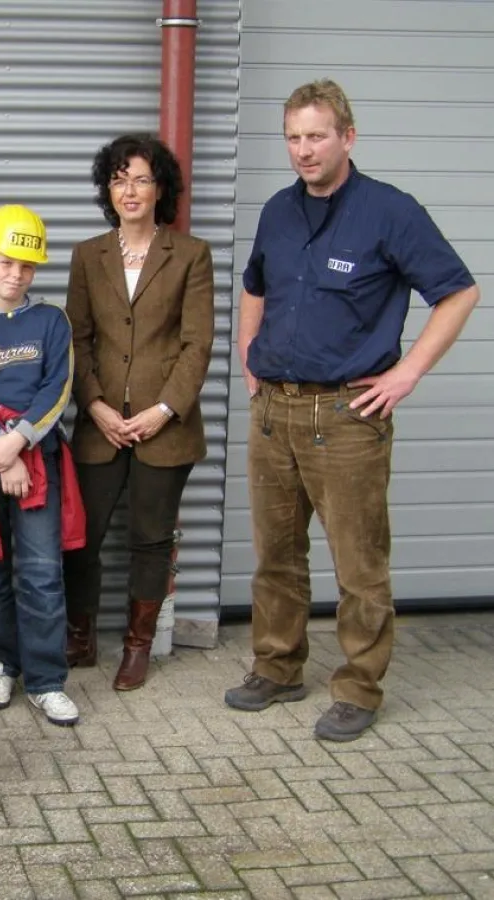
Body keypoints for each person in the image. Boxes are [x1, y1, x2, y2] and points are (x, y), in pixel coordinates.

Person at [227, 79, 479, 742]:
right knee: (275, 555)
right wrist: (246, 352)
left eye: (316, 136)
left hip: (345, 418)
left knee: (359, 565)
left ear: (347, 136)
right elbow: (255, 285)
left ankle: (359, 687)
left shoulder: (391, 213)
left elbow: (458, 292)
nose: (304, 150)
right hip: (274, 413)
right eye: (293, 138)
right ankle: (277, 668)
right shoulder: (278, 213)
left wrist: (407, 373)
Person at [62, 134, 214, 688]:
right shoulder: (88, 255)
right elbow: (75, 339)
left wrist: (165, 410)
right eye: (120, 178)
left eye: (142, 179)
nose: (130, 189)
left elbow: (198, 344)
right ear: (109, 188)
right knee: (80, 536)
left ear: (160, 188)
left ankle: (136, 645)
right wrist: (95, 404)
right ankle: (79, 640)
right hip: (100, 425)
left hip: (164, 429)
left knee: (150, 539)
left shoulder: (191, 254)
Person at [0, 204, 84, 727]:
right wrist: (0, 452)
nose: (16, 274)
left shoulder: (52, 320)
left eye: (27, 266)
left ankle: (47, 680)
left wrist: (21, 442)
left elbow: (58, 387)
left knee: (43, 572)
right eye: (5, 262)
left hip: (38, 461)